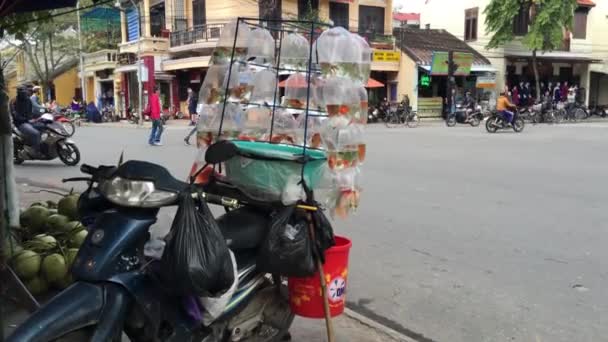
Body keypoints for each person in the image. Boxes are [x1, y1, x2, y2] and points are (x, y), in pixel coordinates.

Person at [13, 86, 44, 156]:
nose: (24, 92)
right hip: (21, 123)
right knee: (35, 133)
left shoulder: (28, 100)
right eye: (21, 91)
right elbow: (15, 115)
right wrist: (27, 119)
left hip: (29, 121)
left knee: (44, 126)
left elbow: (32, 111)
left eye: (24, 91)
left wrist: (39, 116)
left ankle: (37, 143)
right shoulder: (14, 101)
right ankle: (35, 151)